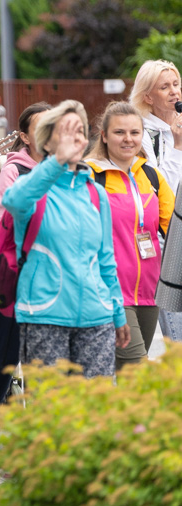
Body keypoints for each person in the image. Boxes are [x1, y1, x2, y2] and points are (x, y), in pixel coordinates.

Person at [0, 100, 130, 378]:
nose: (75, 139)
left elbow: (106, 259)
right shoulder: (33, 187)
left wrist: (117, 313)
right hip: (44, 316)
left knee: (96, 411)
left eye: (80, 131)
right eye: (65, 132)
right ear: (47, 142)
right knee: (51, 412)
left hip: (97, 317)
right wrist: (57, 161)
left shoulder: (96, 193)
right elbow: (13, 200)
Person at [0, 102, 51, 431]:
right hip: (15, 275)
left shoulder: (67, 169)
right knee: (6, 355)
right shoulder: (14, 169)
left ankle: (37, 429)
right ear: (24, 135)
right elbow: (11, 216)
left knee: (44, 359)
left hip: (52, 276)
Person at [86, 102, 172, 370]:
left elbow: (174, 228)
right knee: (137, 371)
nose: (128, 139)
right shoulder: (88, 175)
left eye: (135, 133)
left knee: (127, 376)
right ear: (104, 135)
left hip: (149, 291)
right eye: (119, 132)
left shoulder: (151, 176)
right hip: (108, 292)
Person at [129, 60, 182, 342]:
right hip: (164, 244)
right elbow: (161, 190)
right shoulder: (139, 134)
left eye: (176, 84)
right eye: (165, 87)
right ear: (148, 97)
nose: (174, 92)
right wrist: (177, 147)